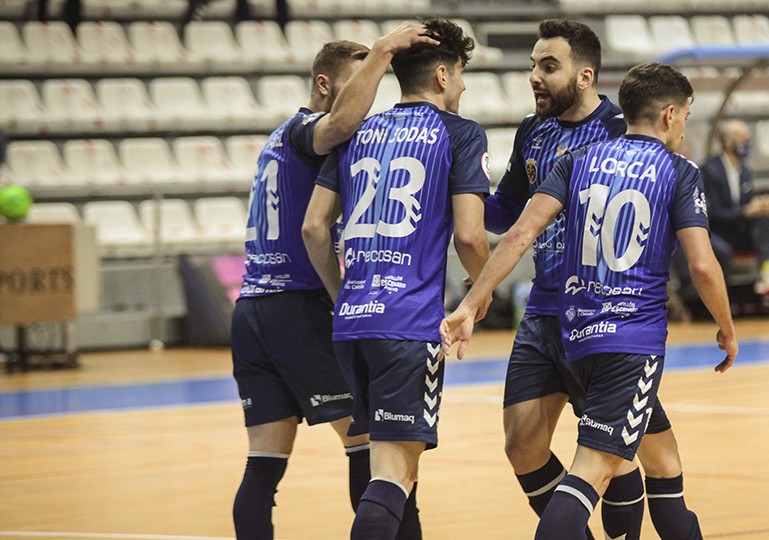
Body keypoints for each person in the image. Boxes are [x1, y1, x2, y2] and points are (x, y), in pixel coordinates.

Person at [441, 62, 738, 540]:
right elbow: (703, 266)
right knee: (589, 475)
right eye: (685, 115)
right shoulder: (679, 171)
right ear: (667, 115)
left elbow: (518, 234)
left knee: (663, 463)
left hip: (575, 336)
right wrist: (726, 326)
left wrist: (472, 301)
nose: (684, 126)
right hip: (630, 342)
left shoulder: (577, 161)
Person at [484, 19, 703, 540]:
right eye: (534, 64)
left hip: (603, 314)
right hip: (543, 311)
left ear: (585, 77)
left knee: (616, 458)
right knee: (523, 446)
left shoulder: (619, 129)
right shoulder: (532, 131)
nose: (534, 75)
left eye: (548, 66)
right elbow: (508, 216)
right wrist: (458, 196)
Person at [230, 24, 438, 540]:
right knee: (376, 449)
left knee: (263, 466)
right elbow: (340, 128)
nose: (366, 103)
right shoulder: (308, 132)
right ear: (324, 86)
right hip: (296, 308)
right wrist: (387, 48)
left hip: (252, 309)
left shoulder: (277, 138)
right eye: (358, 84)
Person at [302, 18, 490, 540]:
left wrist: (343, 296)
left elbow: (314, 227)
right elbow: (471, 237)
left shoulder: (355, 131)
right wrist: (481, 293)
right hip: (409, 325)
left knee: (392, 473)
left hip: (352, 326)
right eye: (459, 76)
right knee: (393, 476)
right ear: (441, 77)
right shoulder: (460, 133)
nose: (463, 87)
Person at [699, 119, 769, 320]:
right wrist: (746, 211)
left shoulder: (745, 171)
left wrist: (760, 206)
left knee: (764, 222)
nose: (747, 144)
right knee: (760, 232)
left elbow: (746, 203)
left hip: (741, 230)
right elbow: (712, 213)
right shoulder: (710, 170)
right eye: (742, 139)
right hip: (719, 232)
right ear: (727, 142)